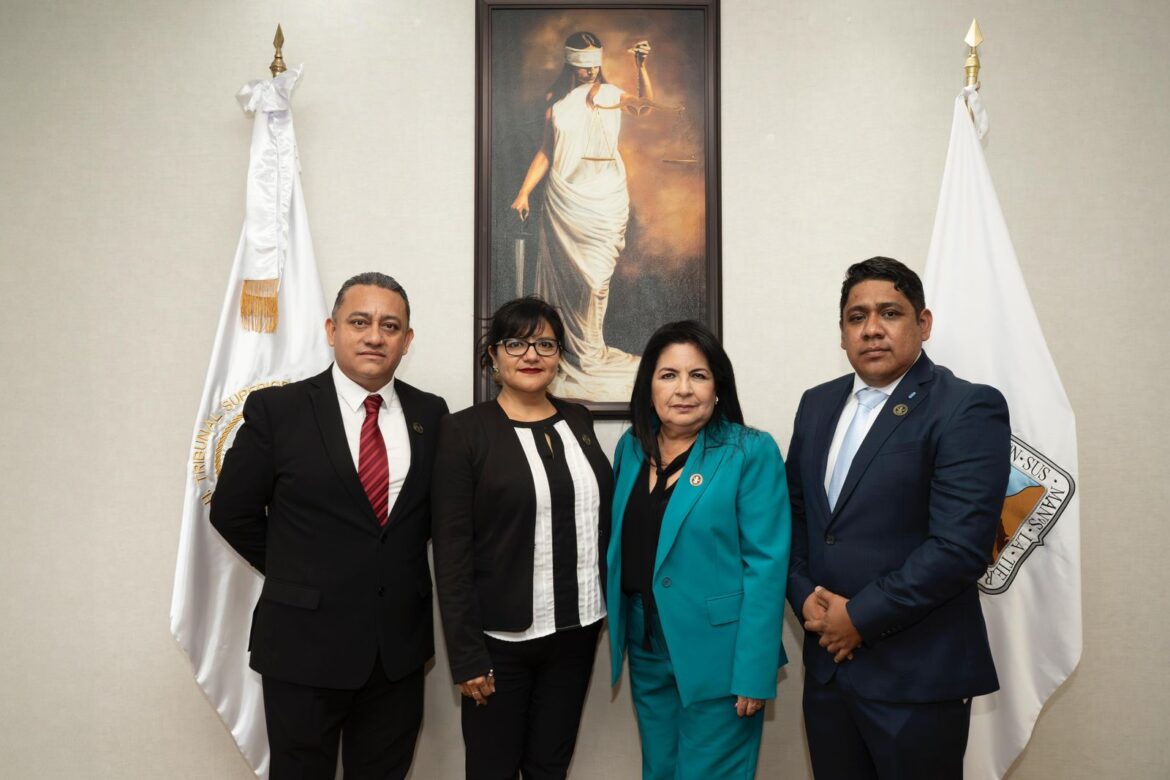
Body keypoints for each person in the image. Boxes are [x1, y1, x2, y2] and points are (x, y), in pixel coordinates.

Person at [210, 272, 448, 779]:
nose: (374, 336)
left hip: (396, 653)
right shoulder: (279, 410)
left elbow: (429, 520)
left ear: (407, 340)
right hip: (303, 647)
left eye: (390, 326)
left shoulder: (432, 414)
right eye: (359, 322)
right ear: (331, 330)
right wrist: (299, 571)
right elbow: (231, 511)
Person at [786, 257, 1011, 779]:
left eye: (890, 313)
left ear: (923, 323)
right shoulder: (816, 404)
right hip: (828, 673)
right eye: (856, 317)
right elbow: (796, 515)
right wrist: (802, 594)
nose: (871, 329)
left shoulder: (967, 407)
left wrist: (858, 617)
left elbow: (959, 547)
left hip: (917, 677)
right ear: (842, 332)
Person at [432, 296, 614, 780]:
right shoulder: (463, 431)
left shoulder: (578, 420)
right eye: (516, 343)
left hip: (577, 631)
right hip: (500, 642)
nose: (531, 355)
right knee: (492, 768)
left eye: (545, 344)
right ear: (493, 355)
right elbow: (451, 552)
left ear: (559, 356)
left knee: (550, 767)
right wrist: (466, 656)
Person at [606, 320, 791, 780]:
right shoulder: (631, 449)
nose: (684, 389)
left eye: (699, 375)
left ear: (718, 387)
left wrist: (754, 671)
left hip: (720, 655)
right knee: (660, 771)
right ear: (649, 386)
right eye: (669, 375)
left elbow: (766, 568)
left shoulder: (749, 451)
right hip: (646, 647)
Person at [510, 31, 656, 402]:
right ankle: (569, 351)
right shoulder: (557, 102)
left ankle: (591, 350)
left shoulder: (610, 95)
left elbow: (644, 106)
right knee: (570, 282)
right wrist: (524, 191)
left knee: (595, 281)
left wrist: (641, 66)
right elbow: (547, 151)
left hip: (604, 198)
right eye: (583, 66)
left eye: (594, 65)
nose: (589, 72)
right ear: (571, 64)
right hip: (565, 200)